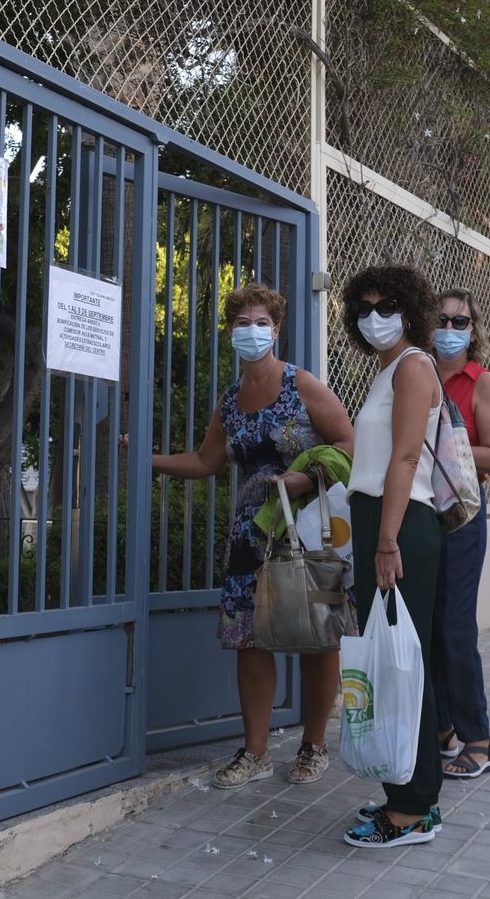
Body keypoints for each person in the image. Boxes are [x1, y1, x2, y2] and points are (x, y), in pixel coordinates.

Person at [150, 283, 354, 789]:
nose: (251, 331)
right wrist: (147, 458)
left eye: (260, 322)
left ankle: (313, 745)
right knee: (249, 638)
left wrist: (307, 477)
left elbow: (349, 441)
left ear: (277, 329)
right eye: (240, 323)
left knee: (319, 635)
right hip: (252, 538)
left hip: (312, 530)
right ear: (229, 332)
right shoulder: (231, 401)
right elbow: (206, 461)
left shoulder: (301, 385)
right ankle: (256, 751)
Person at [339, 265, 447, 849]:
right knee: (389, 659)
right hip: (379, 521)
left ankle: (415, 809)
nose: (374, 318)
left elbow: (404, 461)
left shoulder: (413, 366)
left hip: (399, 525)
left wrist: (385, 541)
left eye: (387, 307)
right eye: (365, 308)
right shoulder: (386, 369)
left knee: (407, 660)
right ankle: (402, 786)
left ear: (411, 311)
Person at [430, 287, 490, 780]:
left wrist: (443, 445)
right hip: (419, 513)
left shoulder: (481, 382)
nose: (450, 329)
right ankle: (443, 728)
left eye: (460, 322)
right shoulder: (414, 374)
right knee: (426, 624)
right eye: (441, 319)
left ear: (474, 331)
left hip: (461, 514)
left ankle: (479, 738)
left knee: (455, 627)